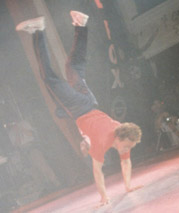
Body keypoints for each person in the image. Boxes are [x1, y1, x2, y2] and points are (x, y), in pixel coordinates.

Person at [15, 11, 142, 205]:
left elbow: (126, 162)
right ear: (121, 138)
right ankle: (38, 31)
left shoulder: (119, 132)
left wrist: (128, 186)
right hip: (78, 107)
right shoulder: (103, 141)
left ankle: (81, 27)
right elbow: (97, 172)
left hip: (89, 100)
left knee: (74, 66)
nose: (127, 150)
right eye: (127, 146)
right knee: (49, 78)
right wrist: (103, 196)